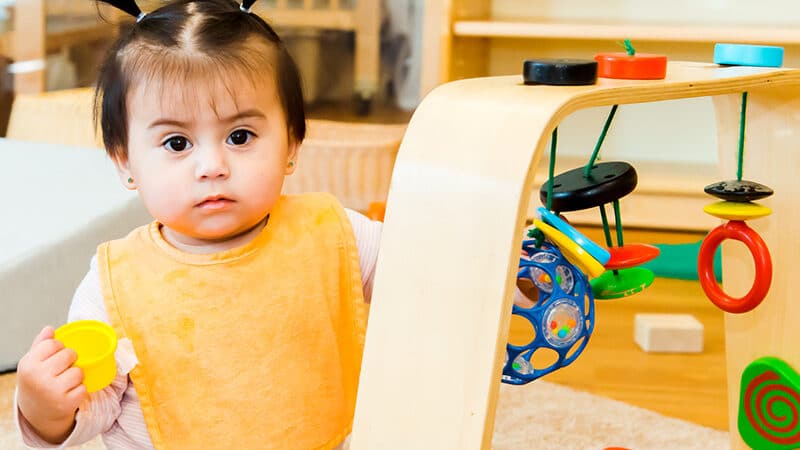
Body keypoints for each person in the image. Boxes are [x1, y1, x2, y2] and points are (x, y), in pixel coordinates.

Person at [14, 0, 382, 447]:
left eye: (239, 136)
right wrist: (45, 408)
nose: (211, 166)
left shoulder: (335, 233)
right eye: (176, 142)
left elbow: (425, 280)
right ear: (125, 162)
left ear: (292, 143)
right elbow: (95, 407)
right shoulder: (115, 285)